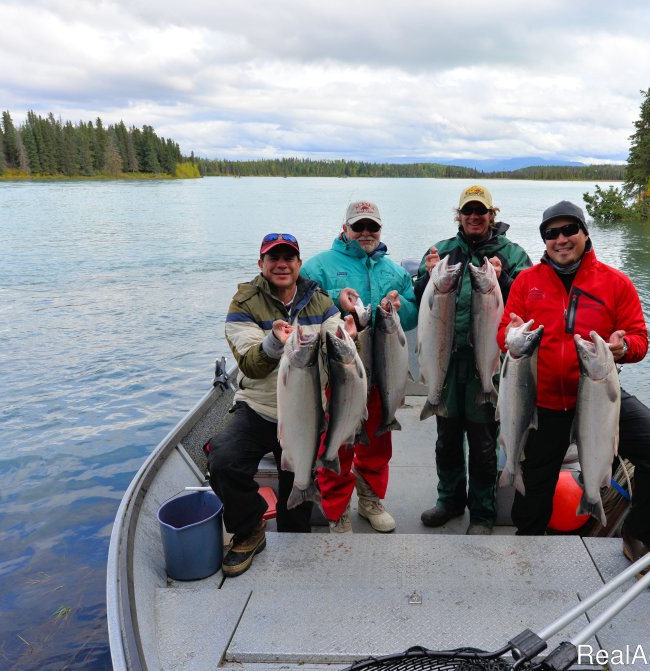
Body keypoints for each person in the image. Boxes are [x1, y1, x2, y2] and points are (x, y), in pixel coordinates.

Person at [496, 200, 650, 584]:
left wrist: (623, 348)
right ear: (544, 241)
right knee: (532, 495)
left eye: (569, 230)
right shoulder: (526, 282)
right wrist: (510, 335)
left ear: (585, 233)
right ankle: (528, 547)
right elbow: (504, 333)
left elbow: (639, 340)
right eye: (552, 233)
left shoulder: (615, 283)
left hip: (600, 400)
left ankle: (638, 535)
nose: (561, 239)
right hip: (542, 403)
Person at [207, 232, 354, 578]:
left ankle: (297, 538)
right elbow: (250, 363)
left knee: (297, 480)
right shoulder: (243, 304)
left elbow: (336, 337)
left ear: (299, 264)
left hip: (305, 411)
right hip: (259, 408)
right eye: (274, 258)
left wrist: (348, 331)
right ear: (261, 264)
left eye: (289, 258)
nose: (282, 264)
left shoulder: (320, 301)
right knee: (223, 460)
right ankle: (249, 529)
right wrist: (274, 341)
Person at [414, 185, 532, 535]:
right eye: (468, 211)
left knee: (483, 444)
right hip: (446, 363)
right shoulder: (442, 252)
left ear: (491, 214)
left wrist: (505, 279)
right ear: (459, 215)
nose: (474, 216)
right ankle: (449, 501)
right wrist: (426, 275)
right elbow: (421, 299)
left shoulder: (512, 253)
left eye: (481, 211)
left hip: (488, 363)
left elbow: (529, 303)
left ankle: (482, 513)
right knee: (446, 439)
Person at [301, 200, 419, 533]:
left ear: (380, 230)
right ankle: (337, 512)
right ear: (345, 230)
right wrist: (337, 295)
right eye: (358, 227)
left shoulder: (394, 272)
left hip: (381, 372)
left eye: (372, 227)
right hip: (337, 371)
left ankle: (369, 500)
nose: (366, 233)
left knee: (377, 443)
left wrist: (398, 308)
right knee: (338, 440)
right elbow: (303, 303)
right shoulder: (318, 266)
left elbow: (410, 315)